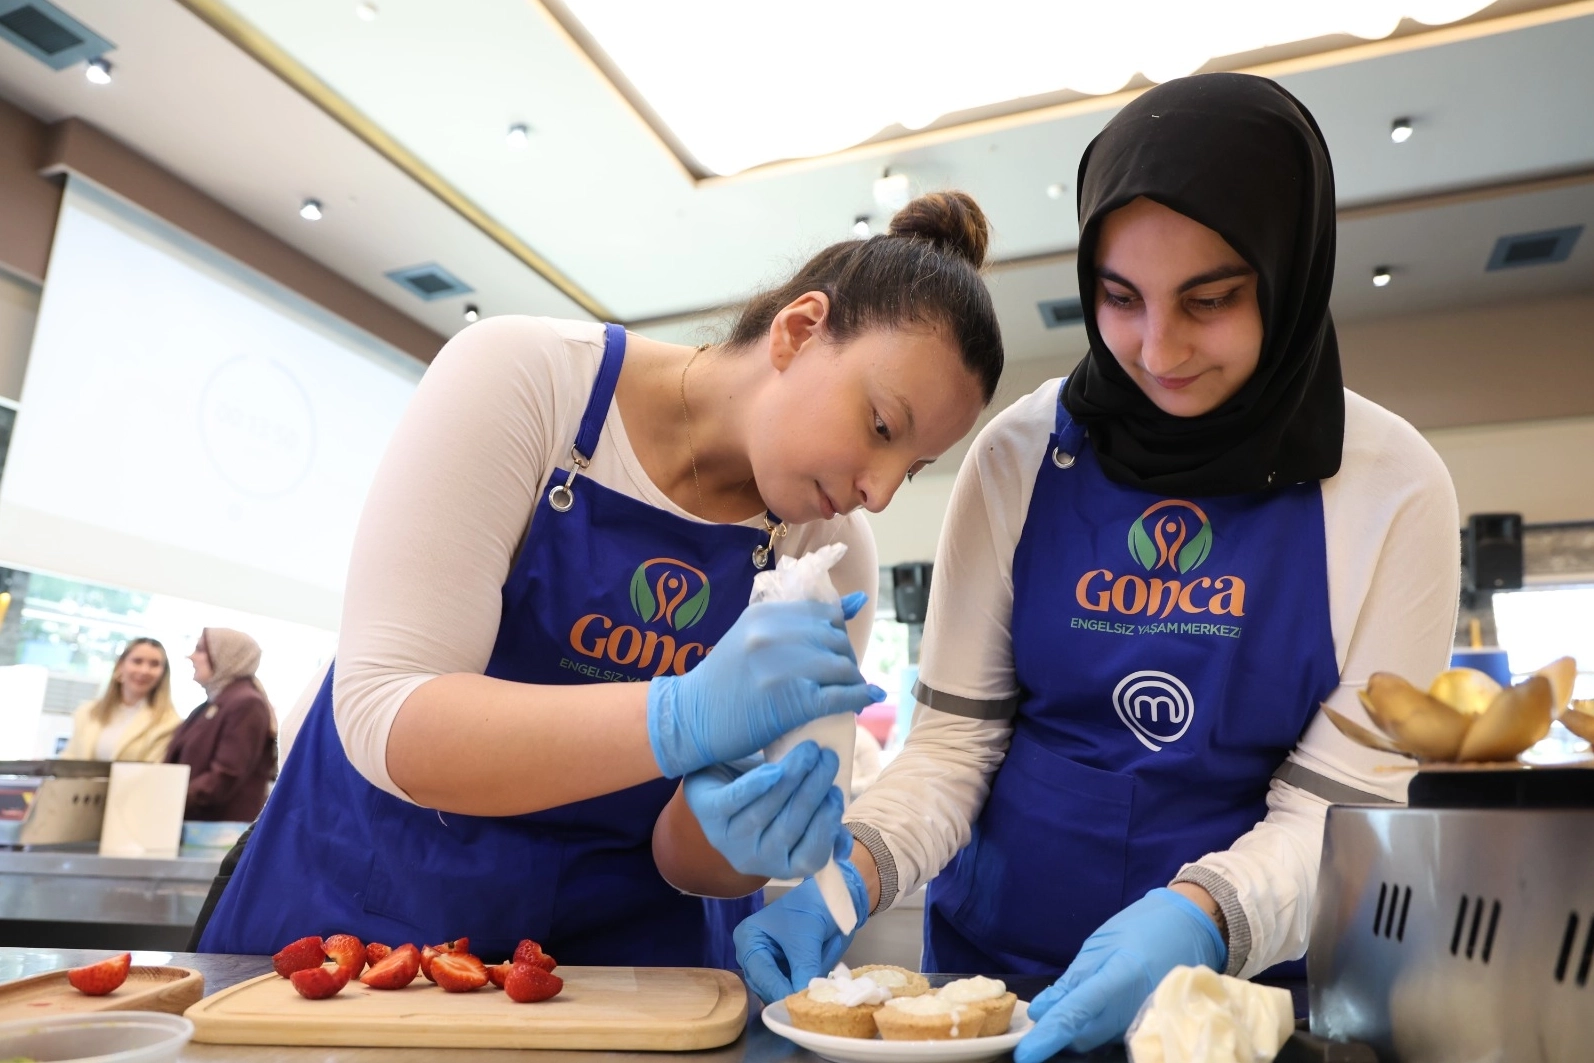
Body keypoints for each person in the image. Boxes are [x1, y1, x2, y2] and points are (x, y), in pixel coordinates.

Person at [734, 73, 1460, 1058]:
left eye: (1210, 299)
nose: (1158, 349)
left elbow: (1338, 810)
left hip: (1233, 1004)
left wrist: (1204, 914)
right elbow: (952, 750)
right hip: (990, 988)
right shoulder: (1019, 456)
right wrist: (839, 882)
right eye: (1120, 298)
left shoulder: (1391, 489)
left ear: (1287, 273)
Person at [192, 192, 1005, 966]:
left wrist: (742, 835)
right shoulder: (527, 380)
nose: (880, 491)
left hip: (627, 961)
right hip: (375, 906)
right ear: (798, 330)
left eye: (914, 466)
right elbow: (388, 709)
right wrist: (679, 715)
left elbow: (689, 861)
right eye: (882, 426)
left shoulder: (829, 550)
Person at [165, 628, 278, 822]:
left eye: (201, 650)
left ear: (226, 656)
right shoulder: (216, 702)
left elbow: (226, 775)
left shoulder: (246, 703)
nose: (191, 657)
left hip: (215, 831)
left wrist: (170, 799)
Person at [62, 638, 182, 763]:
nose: (144, 670)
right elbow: (69, 759)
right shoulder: (88, 712)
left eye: (154, 664)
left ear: (163, 673)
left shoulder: (169, 723)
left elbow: (153, 770)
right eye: (137, 661)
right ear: (120, 666)